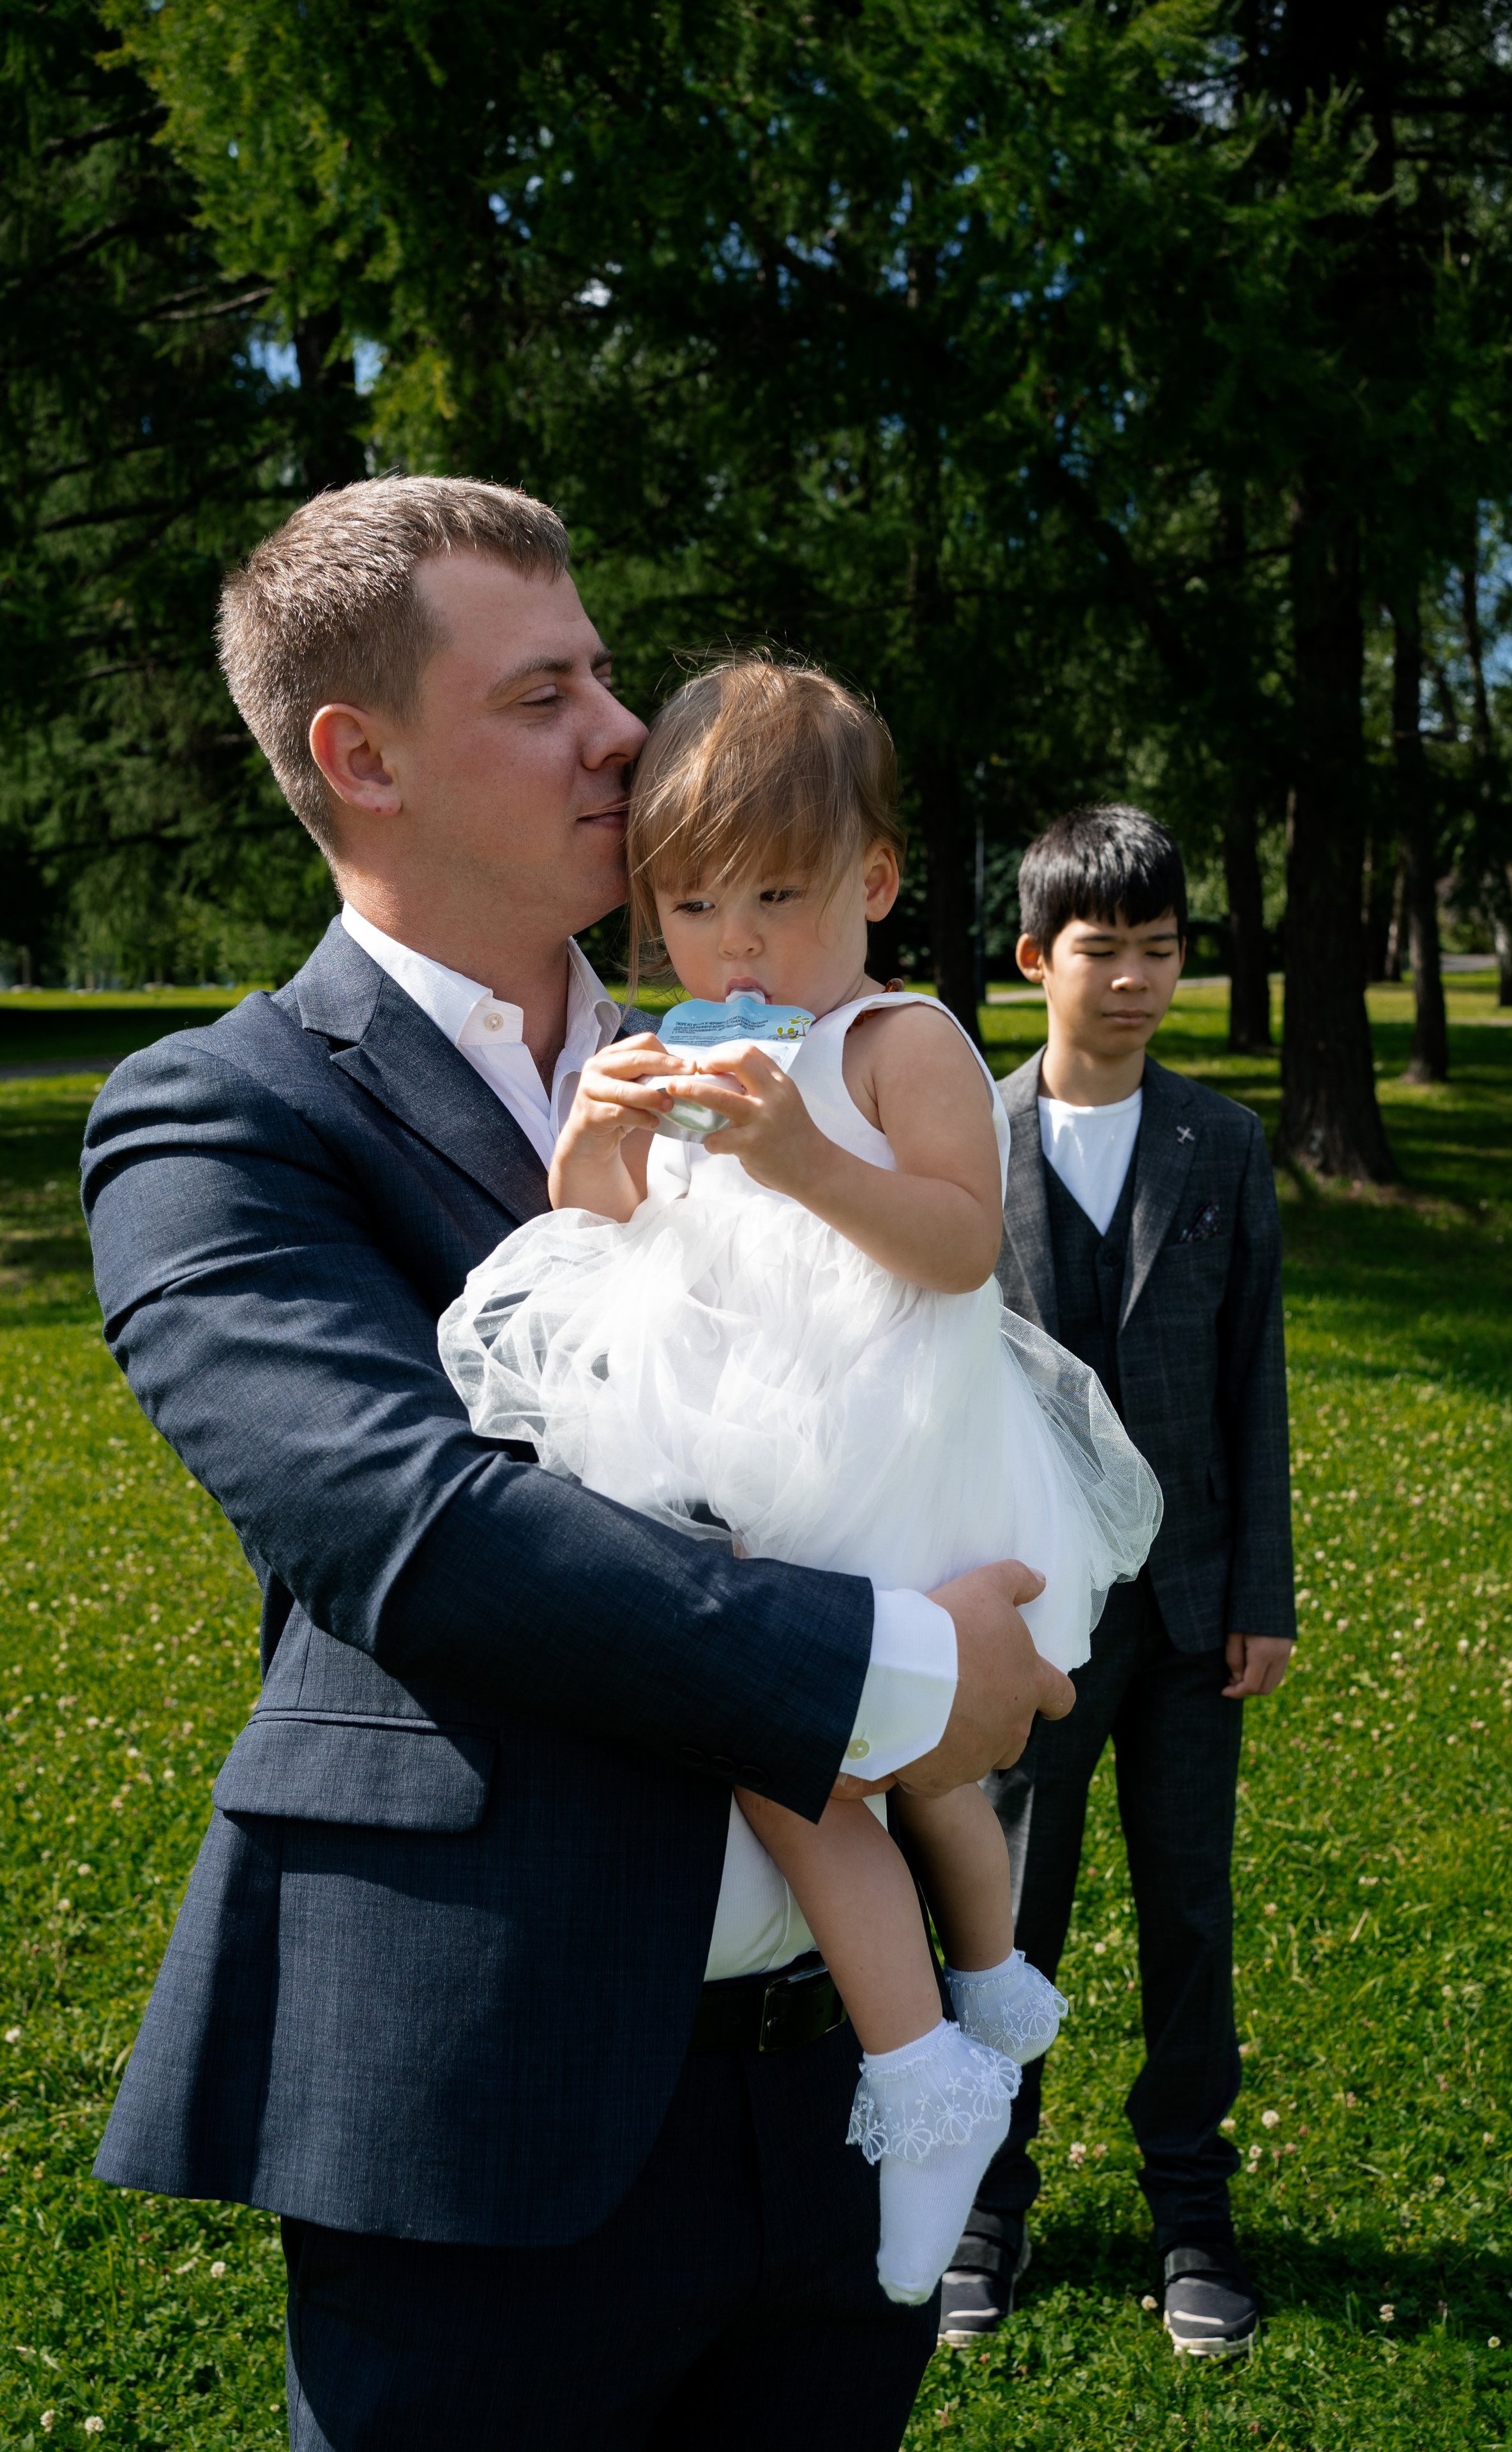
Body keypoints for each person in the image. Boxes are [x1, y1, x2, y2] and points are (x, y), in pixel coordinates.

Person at [81, 475, 1079, 2452]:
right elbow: (419, 1532)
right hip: (491, 2119)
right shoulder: (221, 1117)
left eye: (610, 672)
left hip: (830, 2092)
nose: (628, 731)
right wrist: (900, 1668)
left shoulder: (782, 1040)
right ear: (361, 758)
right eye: (547, 694)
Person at [437, 658, 1163, 2308]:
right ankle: (994, 1988)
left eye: (779, 897)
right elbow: (612, 1226)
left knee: (812, 1762)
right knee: (901, 1781)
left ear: (878, 886)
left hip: (883, 1437)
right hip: (734, 1429)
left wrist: (798, 1154)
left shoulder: (898, 1038)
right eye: (691, 908)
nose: (737, 949)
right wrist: (602, 1140)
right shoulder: (670, 1040)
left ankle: (928, 2074)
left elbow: (962, 1247)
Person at [937, 804, 1295, 2361]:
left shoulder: (1220, 1143)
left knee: (1188, 1914)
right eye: (1105, 951)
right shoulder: (963, 1141)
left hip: (1186, 1614)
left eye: (1161, 951)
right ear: (1033, 960)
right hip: (1023, 1623)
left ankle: (1189, 2214)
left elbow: (1251, 1381)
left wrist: (1260, 1592)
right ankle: (979, 2201)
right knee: (1003, 1915)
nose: (1137, 978)